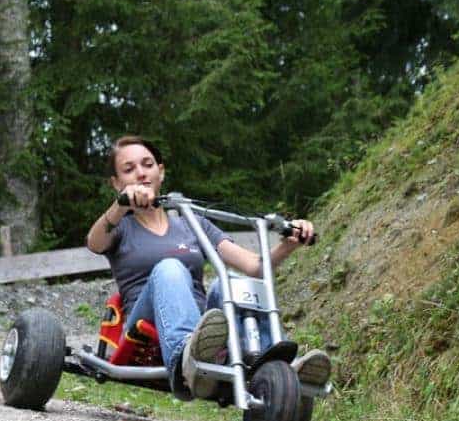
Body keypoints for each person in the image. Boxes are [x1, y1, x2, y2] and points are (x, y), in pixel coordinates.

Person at [86, 135, 331, 400]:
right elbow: (94, 242)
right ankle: (186, 358)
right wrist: (120, 204)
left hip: (206, 331)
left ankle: (276, 368)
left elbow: (255, 268)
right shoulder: (120, 226)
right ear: (117, 183)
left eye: (147, 164)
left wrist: (289, 245)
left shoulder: (192, 222)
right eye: (129, 169)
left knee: (232, 282)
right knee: (170, 268)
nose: (141, 173)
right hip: (147, 326)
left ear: (161, 171)